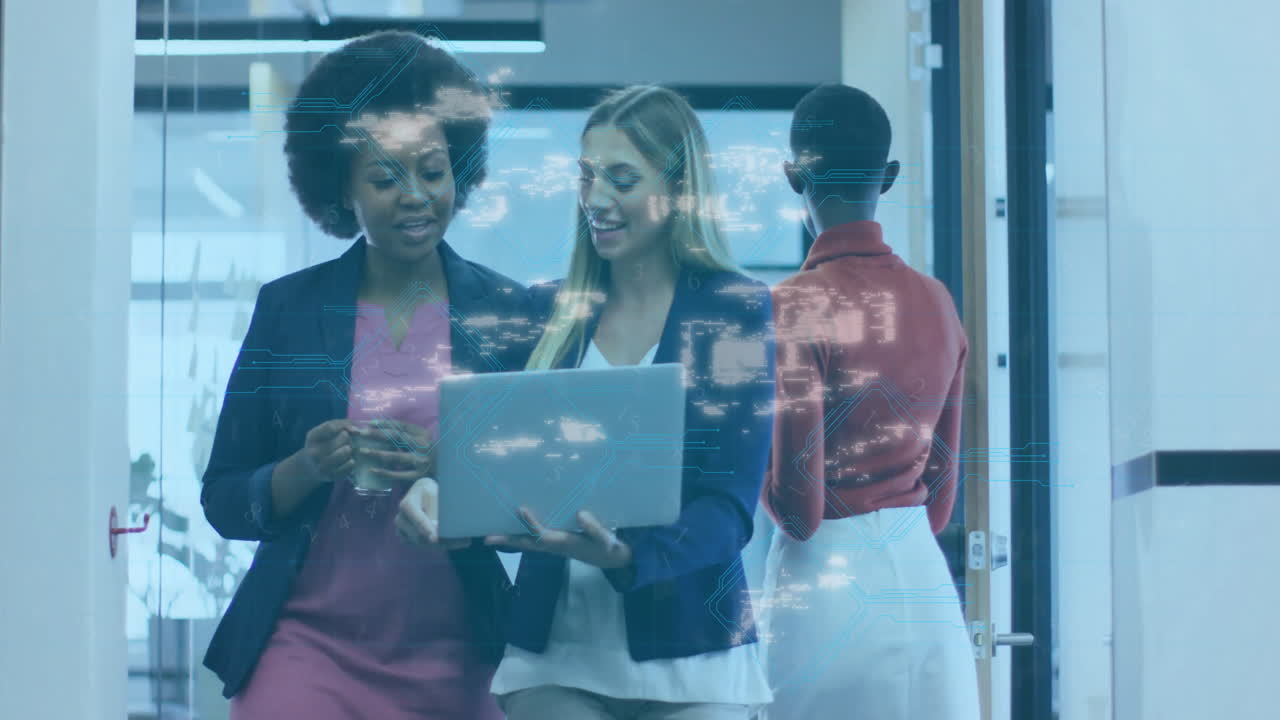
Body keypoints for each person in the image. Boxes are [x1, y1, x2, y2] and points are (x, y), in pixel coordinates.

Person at [200, 31, 532, 719]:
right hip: (304, 648)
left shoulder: (510, 314)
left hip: (462, 655)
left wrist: (450, 465)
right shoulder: (289, 310)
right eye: (385, 178)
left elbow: (543, 489)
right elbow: (225, 498)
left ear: (461, 170)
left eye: (434, 171)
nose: (416, 197)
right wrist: (306, 465)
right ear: (340, 188)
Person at [481, 85, 777, 720]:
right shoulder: (544, 313)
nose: (596, 199)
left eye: (621, 178)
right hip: (555, 655)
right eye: (587, 177)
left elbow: (729, 505)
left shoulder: (734, 312)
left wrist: (627, 559)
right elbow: (500, 477)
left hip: (694, 656)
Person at [759, 84, 980, 720]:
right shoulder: (937, 300)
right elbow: (940, 502)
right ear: (888, 177)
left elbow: (799, 512)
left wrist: (749, 463)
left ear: (793, 173)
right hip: (924, 588)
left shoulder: (794, 305)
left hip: (827, 598)